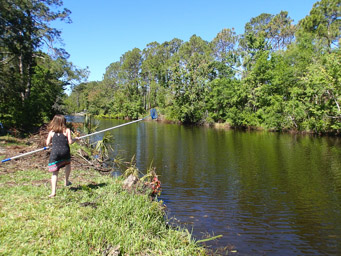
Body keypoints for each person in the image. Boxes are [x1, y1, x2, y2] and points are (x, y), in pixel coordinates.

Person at [46, 115, 78, 197]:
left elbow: (47, 143)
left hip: (55, 153)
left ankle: (53, 192)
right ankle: (66, 181)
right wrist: (76, 139)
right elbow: (70, 142)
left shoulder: (52, 132)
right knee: (68, 164)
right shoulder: (67, 130)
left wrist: (51, 144)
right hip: (65, 151)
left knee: (55, 173)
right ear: (63, 122)